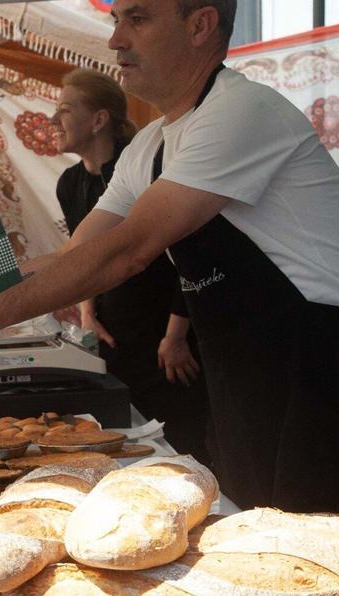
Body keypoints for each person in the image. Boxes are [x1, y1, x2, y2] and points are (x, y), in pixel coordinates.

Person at [0, 0, 339, 544]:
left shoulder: (242, 112)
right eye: (117, 19)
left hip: (329, 373)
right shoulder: (151, 145)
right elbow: (78, 255)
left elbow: (128, 252)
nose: (116, 39)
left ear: (200, 25)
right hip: (247, 374)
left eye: (137, 19)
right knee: (260, 553)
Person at [52, 67, 211, 463]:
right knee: (130, 440)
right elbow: (83, 254)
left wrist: (175, 337)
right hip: (112, 330)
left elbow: (188, 254)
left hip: (165, 332)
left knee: (180, 442)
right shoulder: (69, 183)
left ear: (99, 120)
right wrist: (88, 312)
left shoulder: (141, 167)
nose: (54, 119)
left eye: (65, 109)